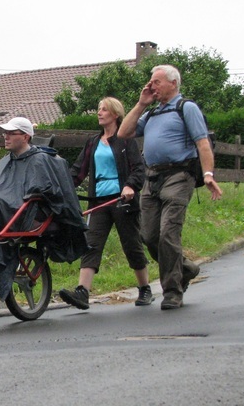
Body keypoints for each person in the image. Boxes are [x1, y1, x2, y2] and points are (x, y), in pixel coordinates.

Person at [118, 65, 222, 310]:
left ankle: (172, 291)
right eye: (151, 82)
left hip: (178, 175)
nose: (151, 85)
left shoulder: (186, 107)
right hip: (151, 178)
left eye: (156, 81)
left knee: (168, 234)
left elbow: (202, 143)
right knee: (149, 236)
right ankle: (186, 269)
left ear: (173, 83)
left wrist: (208, 174)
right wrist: (142, 103)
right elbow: (123, 133)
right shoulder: (152, 113)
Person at [0, 117, 88, 301]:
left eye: (11, 133)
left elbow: (47, 191)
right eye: (5, 133)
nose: (5, 137)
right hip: (7, 205)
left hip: (29, 211)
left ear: (25, 136)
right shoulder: (6, 161)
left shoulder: (40, 160)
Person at [59, 97, 151, 310]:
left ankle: (145, 288)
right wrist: (63, 187)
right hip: (99, 201)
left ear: (115, 114)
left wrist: (130, 186)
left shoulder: (126, 140)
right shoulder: (92, 142)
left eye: (104, 110)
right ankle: (82, 292)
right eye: (99, 109)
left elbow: (139, 168)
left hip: (122, 201)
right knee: (91, 243)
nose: (99, 113)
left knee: (131, 245)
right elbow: (78, 171)